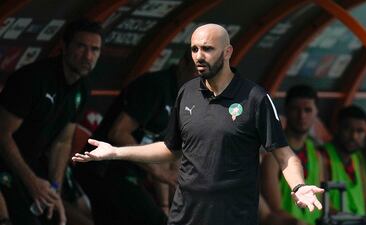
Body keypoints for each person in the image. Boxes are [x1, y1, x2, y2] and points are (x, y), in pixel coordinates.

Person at [72, 23, 324, 225]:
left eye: (207, 49)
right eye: (194, 50)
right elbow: (169, 150)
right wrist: (117, 152)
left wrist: (298, 185)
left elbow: (283, 154)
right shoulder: (187, 93)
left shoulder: (254, 98)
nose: (199, 57)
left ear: (227, 53)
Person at [73, 50, 195, 225]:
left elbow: (163, 160)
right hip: (103, 168)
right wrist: (158, 172)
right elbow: (118, 133)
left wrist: (164, 205)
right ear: (183, 63)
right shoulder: (156, 86)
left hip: (128, 175)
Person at [0, 18, 102, 225]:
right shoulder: (33, 79)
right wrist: (32, 183)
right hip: (6, 163)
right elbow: (2, 134)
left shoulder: (82, 88)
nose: (88, 56)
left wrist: (55, 189)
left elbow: (63, 141)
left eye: (95, 49)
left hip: (33, 166)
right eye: (81, 47)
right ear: (64, 47)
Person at [261, 85, 323, 225]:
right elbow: (273, 210)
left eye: (307, 110)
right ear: (286, 111)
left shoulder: (316, 156)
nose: (302, 116)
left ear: (316, 113)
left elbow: (323, 203)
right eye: (296, 109)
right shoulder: (272, 156)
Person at [319, 105, 366, 215]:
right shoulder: (322, 156)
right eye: (348, 129)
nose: (354, 136)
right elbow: (320, 205)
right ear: (336, 128)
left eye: (360, 131)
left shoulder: (357, 160)